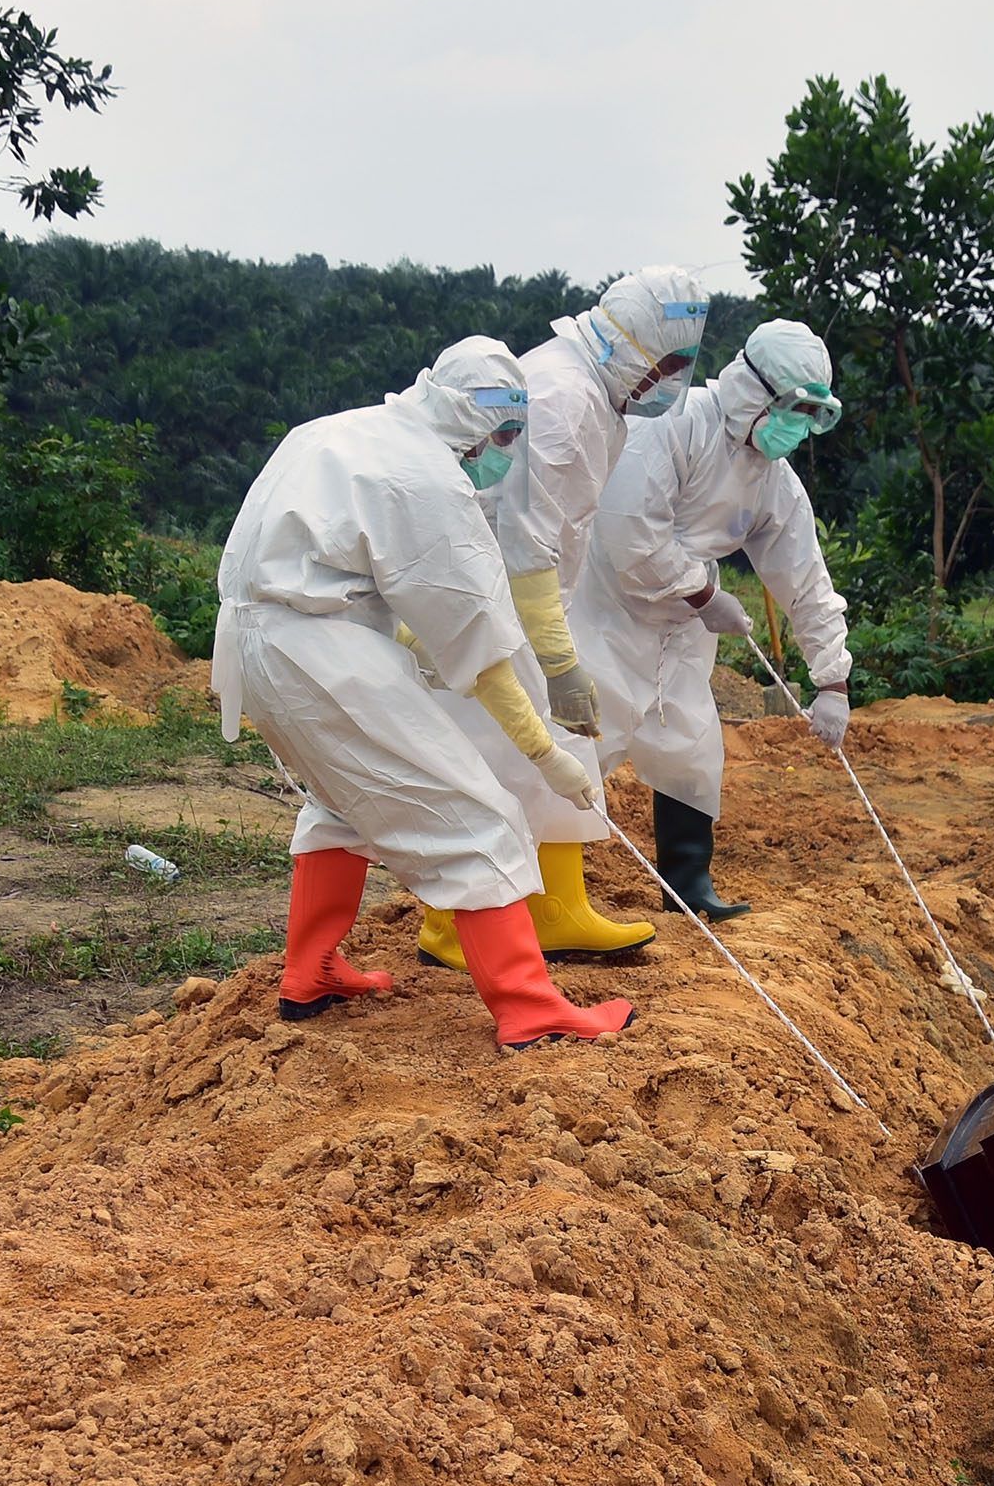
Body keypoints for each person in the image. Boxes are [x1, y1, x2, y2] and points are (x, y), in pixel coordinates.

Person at [213, 337, 630, 1046]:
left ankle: (309, 970)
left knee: (339, 804)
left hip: (252, 642)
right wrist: (545, 754)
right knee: (479, 818)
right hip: (323, 654)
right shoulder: (426, 477)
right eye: (503, 434)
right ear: (470, 420)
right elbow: (478, 638)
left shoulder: (332, 431)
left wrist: (413, 645)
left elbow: (349, 569)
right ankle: (530, 1008)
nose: (503, 452)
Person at [414, 264, 712, 978]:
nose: (671, 381)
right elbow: (525, 539)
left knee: (548, 756)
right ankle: (448, 923)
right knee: (494, 760)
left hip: (524, 596)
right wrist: (558, 659)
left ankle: (556, 909)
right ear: (632, 346)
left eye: (681, 367)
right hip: (496, 594)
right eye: (667, 365)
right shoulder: (566, 396)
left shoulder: (593, 391)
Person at [573, 319, 853, 921]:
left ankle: (687, 885)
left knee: (691, 743)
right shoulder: (676, 425)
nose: (797, 427)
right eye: (792, 409)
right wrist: (703, 595)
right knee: (582, 739)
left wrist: (831, 680)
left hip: (683, 623)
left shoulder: (772, 480)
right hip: (605, 606)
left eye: (811, 414)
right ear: (754, 392)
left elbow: (805, 578)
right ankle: (544, 897)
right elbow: (629, 535)